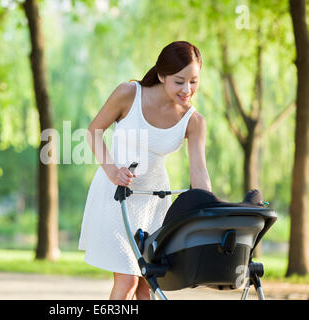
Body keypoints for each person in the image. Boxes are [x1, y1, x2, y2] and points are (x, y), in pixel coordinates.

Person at [78, 41, 212, 300]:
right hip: (115, 194)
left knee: (147, 285)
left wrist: (207, 209)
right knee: (127, 280)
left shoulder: (194, 121)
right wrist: (112, 170)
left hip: (154, 203)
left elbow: (199, 170)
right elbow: (94, 132)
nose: (187, 90)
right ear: (162, 75)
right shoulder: (129, 94)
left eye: (194, 81)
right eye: (179, 81)